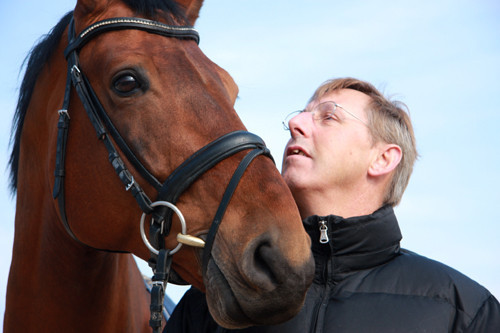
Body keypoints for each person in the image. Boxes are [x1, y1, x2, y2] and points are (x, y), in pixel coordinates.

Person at [165, 77, 500, 332]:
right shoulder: (224, 298)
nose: (296, 124)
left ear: (383, 158)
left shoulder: (462, 310)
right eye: (300, 116)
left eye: (328, 117)